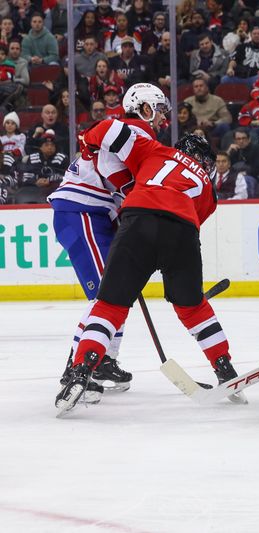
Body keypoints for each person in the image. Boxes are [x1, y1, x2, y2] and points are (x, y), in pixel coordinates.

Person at [55, 130, 242, 415]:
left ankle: (81, 369)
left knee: (109, 306)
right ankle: (224, 368)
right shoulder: (208, 187)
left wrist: (87, 141)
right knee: (193, 308)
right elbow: (191, 221)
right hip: (181, 232)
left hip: (137, 222)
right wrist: (185, 288)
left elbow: (108, 128)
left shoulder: (155, 150)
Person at [49, 83, 170, 402]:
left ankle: (102, 359)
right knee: (106, 295)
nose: (161, 119)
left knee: (120, 289)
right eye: (158, 110)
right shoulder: (133, 130)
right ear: (144, 108)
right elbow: (107, 163)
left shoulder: (138, 135)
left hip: (96, 215)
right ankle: (77, 368)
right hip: (82, 211)